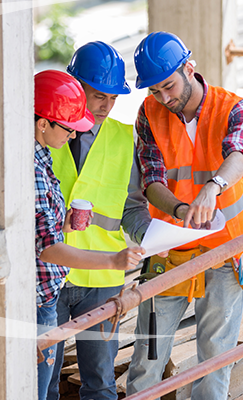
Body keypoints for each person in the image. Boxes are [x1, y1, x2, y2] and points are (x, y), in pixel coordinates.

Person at [125, 32, 243, 400]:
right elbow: (151, 181)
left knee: (215, 357)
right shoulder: (149, 113)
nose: (163, 98)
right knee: (148, 354)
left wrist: (213, 188)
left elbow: (240, 156)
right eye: (154, 91)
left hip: (226, 249)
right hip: (168, 248)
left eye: (168, 86)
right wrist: (182, 210)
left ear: (189, 68)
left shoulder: (234, 108)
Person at [46, 41, 153, 400]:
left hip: (102, 279)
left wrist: (153, 236)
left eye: (113, 98)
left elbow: (132, 206)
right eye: (98, 96)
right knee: (43, 379)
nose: (106, 106)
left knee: (100, 380)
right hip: (51, 275)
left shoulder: (125, 139)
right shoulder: (46, 133)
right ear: (75, 87)